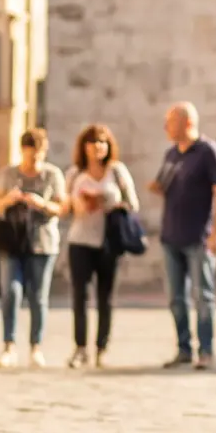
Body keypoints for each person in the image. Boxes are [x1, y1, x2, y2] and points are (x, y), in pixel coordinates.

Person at [148, 101, 216, 370]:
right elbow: (165, 184)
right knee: (175, 297)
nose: (165, 127)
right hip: (171, 235)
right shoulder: (172, 154)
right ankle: (184, 348)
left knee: (203, 296)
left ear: (187, 123)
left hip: (199, 237)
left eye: (170, 122)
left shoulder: (208, 152)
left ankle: (206, 350)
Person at [0, 129, 68, 369]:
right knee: (10, 291)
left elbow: (63, 207)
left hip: (42, 242)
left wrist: (41, 203)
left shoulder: (52, 175)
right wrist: (9, 200)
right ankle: (9, 346)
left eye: (39, 156)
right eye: (31, 156)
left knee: (38, 296)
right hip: (11, 241)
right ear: (23, 151)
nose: (34, 161)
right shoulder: (8, 174)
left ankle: (36, 347)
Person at [62, 123, 140, 369]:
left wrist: (108, 203)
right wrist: (80, 204)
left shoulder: (117, 172)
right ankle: (80, 348)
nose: (98, 147)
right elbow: (64, 208)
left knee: (106, 297)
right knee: (80, 297)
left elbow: (133, 205)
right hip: (80, 240)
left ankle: (101, 348)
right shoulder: (74, 174)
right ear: (84, 146)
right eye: (94, 142)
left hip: (108, 241)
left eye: (103, 142)